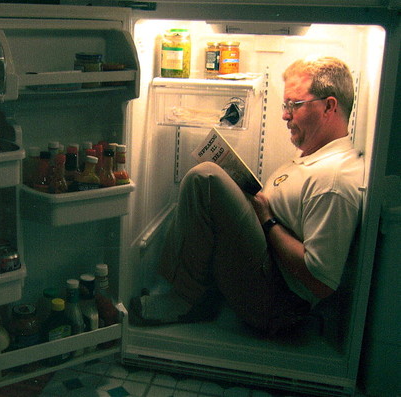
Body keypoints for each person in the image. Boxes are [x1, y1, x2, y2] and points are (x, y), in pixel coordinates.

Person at [130, 56, 364, 336]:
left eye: (294, 105)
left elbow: (320, 281)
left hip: (277, 305)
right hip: (268, 281)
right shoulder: (318, 158)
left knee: (205, 178)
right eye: (285, 105)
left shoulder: (333, 180)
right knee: (214, 180)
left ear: (329, 106)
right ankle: (188, 290)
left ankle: (185, 299)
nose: (285, 115)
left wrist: (267, 220)